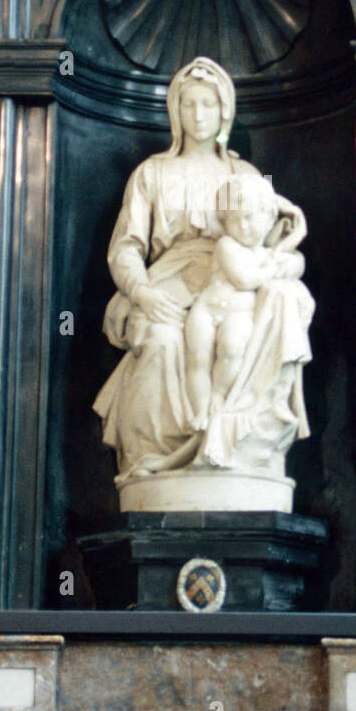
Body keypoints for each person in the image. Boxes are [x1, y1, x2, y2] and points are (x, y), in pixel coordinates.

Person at [93, 56, 309, 491]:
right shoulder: (151, 173)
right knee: (160, 339)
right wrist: (142, 293)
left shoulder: (243, 174)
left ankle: (229, 440)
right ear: (176, 112)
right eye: (189, 105)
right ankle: (156, 457)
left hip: (228, 282)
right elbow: (126, 249)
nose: (198, 114)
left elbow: (270, 241)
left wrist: (287, 261)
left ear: (224, 110)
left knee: (248, 330)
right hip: (167, 283)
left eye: (207, 104)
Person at [185, 173, 305, 430]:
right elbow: (244, 280)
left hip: (240, 315)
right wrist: (275, 262)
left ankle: (218, 397)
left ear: (270, 218)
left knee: (231, 351)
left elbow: (297, 264)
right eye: (235, 220)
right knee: (198, 361)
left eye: (250, 217)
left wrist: (294, 232)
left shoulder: (266, 253)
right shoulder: (227, 245)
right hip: (206, 311)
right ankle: (200, 411)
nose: (244, 226)